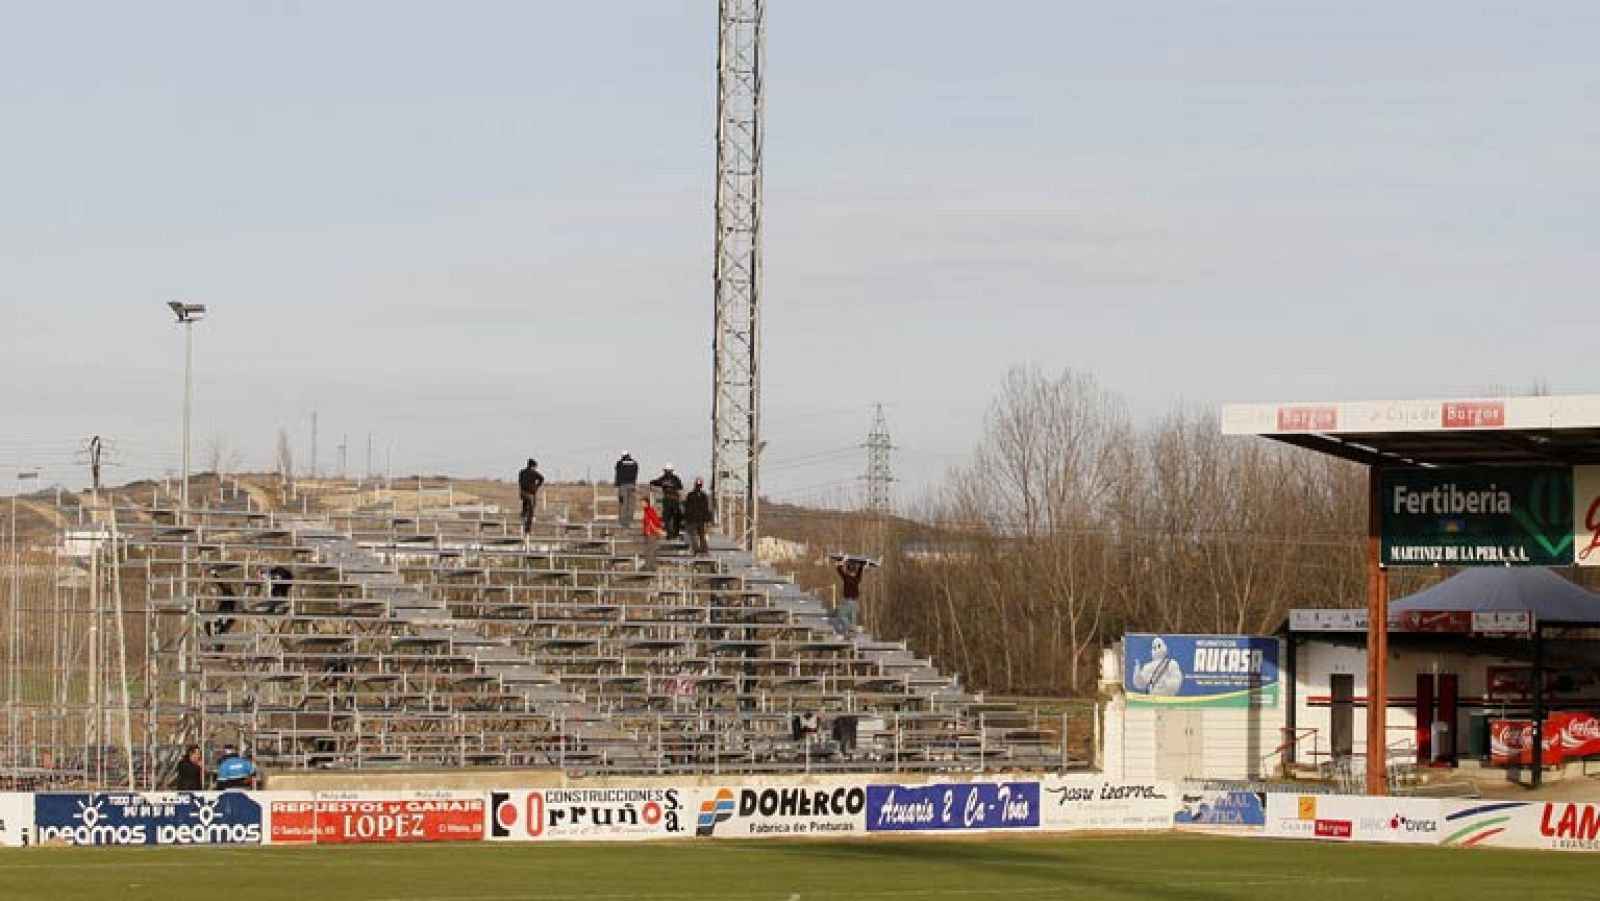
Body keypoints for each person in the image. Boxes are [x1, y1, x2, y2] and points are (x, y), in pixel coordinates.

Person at [649, 464, 684, 540]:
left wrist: (652, 482)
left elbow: (655, 482)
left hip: (668, 500)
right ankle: (674, 533)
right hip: (674, 500)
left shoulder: (663, 478)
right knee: (675, 517)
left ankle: (670, 534)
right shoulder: (676, 478)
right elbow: (680, 488)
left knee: (667, 518)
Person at [833, 558, 866, 634]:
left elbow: (840, 571)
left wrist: (839, 564)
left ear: (849, 571)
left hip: (848, 601)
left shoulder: (846, 578)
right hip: (855, 602)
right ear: (854, 571)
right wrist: (861, 565)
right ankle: (851, 630)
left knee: (841, 616)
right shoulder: (857, 579)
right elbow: (859, 572)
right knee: (852, 618)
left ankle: (849, 628)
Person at [683, 477, 713, 555]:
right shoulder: (692, 495)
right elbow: (687, 507)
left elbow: (705, 508)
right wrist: (687, 517)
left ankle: (703, 549)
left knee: (700, 534)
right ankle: (698, 549)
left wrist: (707, 518)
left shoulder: (702, 496)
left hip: (699, 519)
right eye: (698, 485)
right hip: (694, 519)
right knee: (695, 535)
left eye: (699, 485)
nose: (698, 487)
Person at [518, 458, 545, 534]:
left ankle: (523, 514)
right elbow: (542, 478)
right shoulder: (534, 473)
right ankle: (528, 528)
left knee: (525, 503)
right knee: (531, 510)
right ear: (533, 466)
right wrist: (536, 486)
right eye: (535, 467)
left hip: (522, 493)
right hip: (530, 493)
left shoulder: (521, 472)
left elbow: (520, 482)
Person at [614, 452, 639, 528]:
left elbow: (617, 474)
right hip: (632, 485)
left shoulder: (620, 463)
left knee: (623, 503)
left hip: (623, 485)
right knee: (631, 504)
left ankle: (623, 522)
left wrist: (617, 484)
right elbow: (636, 473)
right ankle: (630, 520)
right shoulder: (634, 463)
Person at [641, 497, 664, 567]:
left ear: (646, 503)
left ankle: (649, 565)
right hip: (649, 533)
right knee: (650, 549)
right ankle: (650, 564)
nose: (641, 504)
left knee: (650, 549)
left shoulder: (649, 510)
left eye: (642, 503)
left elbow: (653, 521)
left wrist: (658, 530)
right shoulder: (647, 510)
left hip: (651, 533)